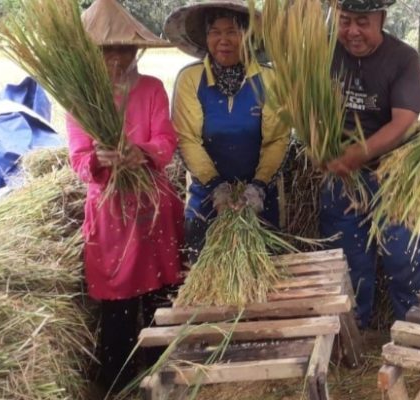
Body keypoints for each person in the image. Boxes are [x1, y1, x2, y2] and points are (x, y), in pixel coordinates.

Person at [66, 0, 183, 395]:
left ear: (136, 49)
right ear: (91, 53)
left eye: (124, 47)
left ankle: (162, 379)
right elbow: (79, 160)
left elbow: (166, 139)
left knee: (158, 299)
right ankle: (117, 385)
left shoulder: (151, 89)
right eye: (107, 49)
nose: (117, 57)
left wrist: (142, 152)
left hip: (154, 210)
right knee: (116, 307)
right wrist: (100, 159)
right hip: (111, 216)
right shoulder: (79, 98)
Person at [321, 0, 420, 329]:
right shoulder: (323, 55)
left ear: (381, 19)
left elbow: (403, 122)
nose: (352, 31)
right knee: (346, 257)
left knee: (406, 256)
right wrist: (321, 147)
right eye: (345, 22)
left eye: (362, 22)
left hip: (396, 174)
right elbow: (305, 106)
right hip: (342, 178)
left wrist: (358, 154)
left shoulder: (403, 59)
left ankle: (414, 332)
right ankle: (351, 335)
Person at [164, 0, 289, 262]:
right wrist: (216, 187)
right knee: (205, 284)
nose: (224, 40)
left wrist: (257, 187)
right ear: (205, 37)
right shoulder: (190, 78)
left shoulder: (268, 79)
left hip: (260, 199)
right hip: (205, 200)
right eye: (215, 32)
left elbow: (277, 139)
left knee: (265, 282)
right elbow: (187, 139)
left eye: (232, 31)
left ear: (248, 35)